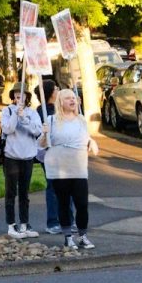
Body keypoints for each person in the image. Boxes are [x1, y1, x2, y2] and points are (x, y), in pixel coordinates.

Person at [40, 88, 99, 250]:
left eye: (73, 98)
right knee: (64, 203)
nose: (72, 101)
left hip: (78, 166)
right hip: (59, 166)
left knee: (82, 203)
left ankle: (83, 235)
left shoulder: (81, 119)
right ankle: (68, 237)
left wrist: (91, 142)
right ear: (60, 101)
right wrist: (44, 134)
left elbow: (84, 136)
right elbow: (41, 144)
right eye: (68, 98)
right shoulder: (52, 120)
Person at [0, 86, 43, 238]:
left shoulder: (32, 112)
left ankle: (24, 223)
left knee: (24, 193)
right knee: (11, 192)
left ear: (27, 97)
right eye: (17, 96)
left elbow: (37, 131)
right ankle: (11, 225)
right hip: (12, 156)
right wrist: (15, 115)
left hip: (28, 157)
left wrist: (24, 117)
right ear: (13, 97)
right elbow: (7, 129)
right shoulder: (8, 111)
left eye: (23, 96)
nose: (20, 99)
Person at [38, 82, 74, 235]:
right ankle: (53, 222)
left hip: (67, 152)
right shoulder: (43, 111)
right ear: (50, 93)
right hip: (51, 154)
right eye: (56, 89)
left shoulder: (63, 109)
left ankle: (69, 221)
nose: (58, 91)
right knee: (53, 187)